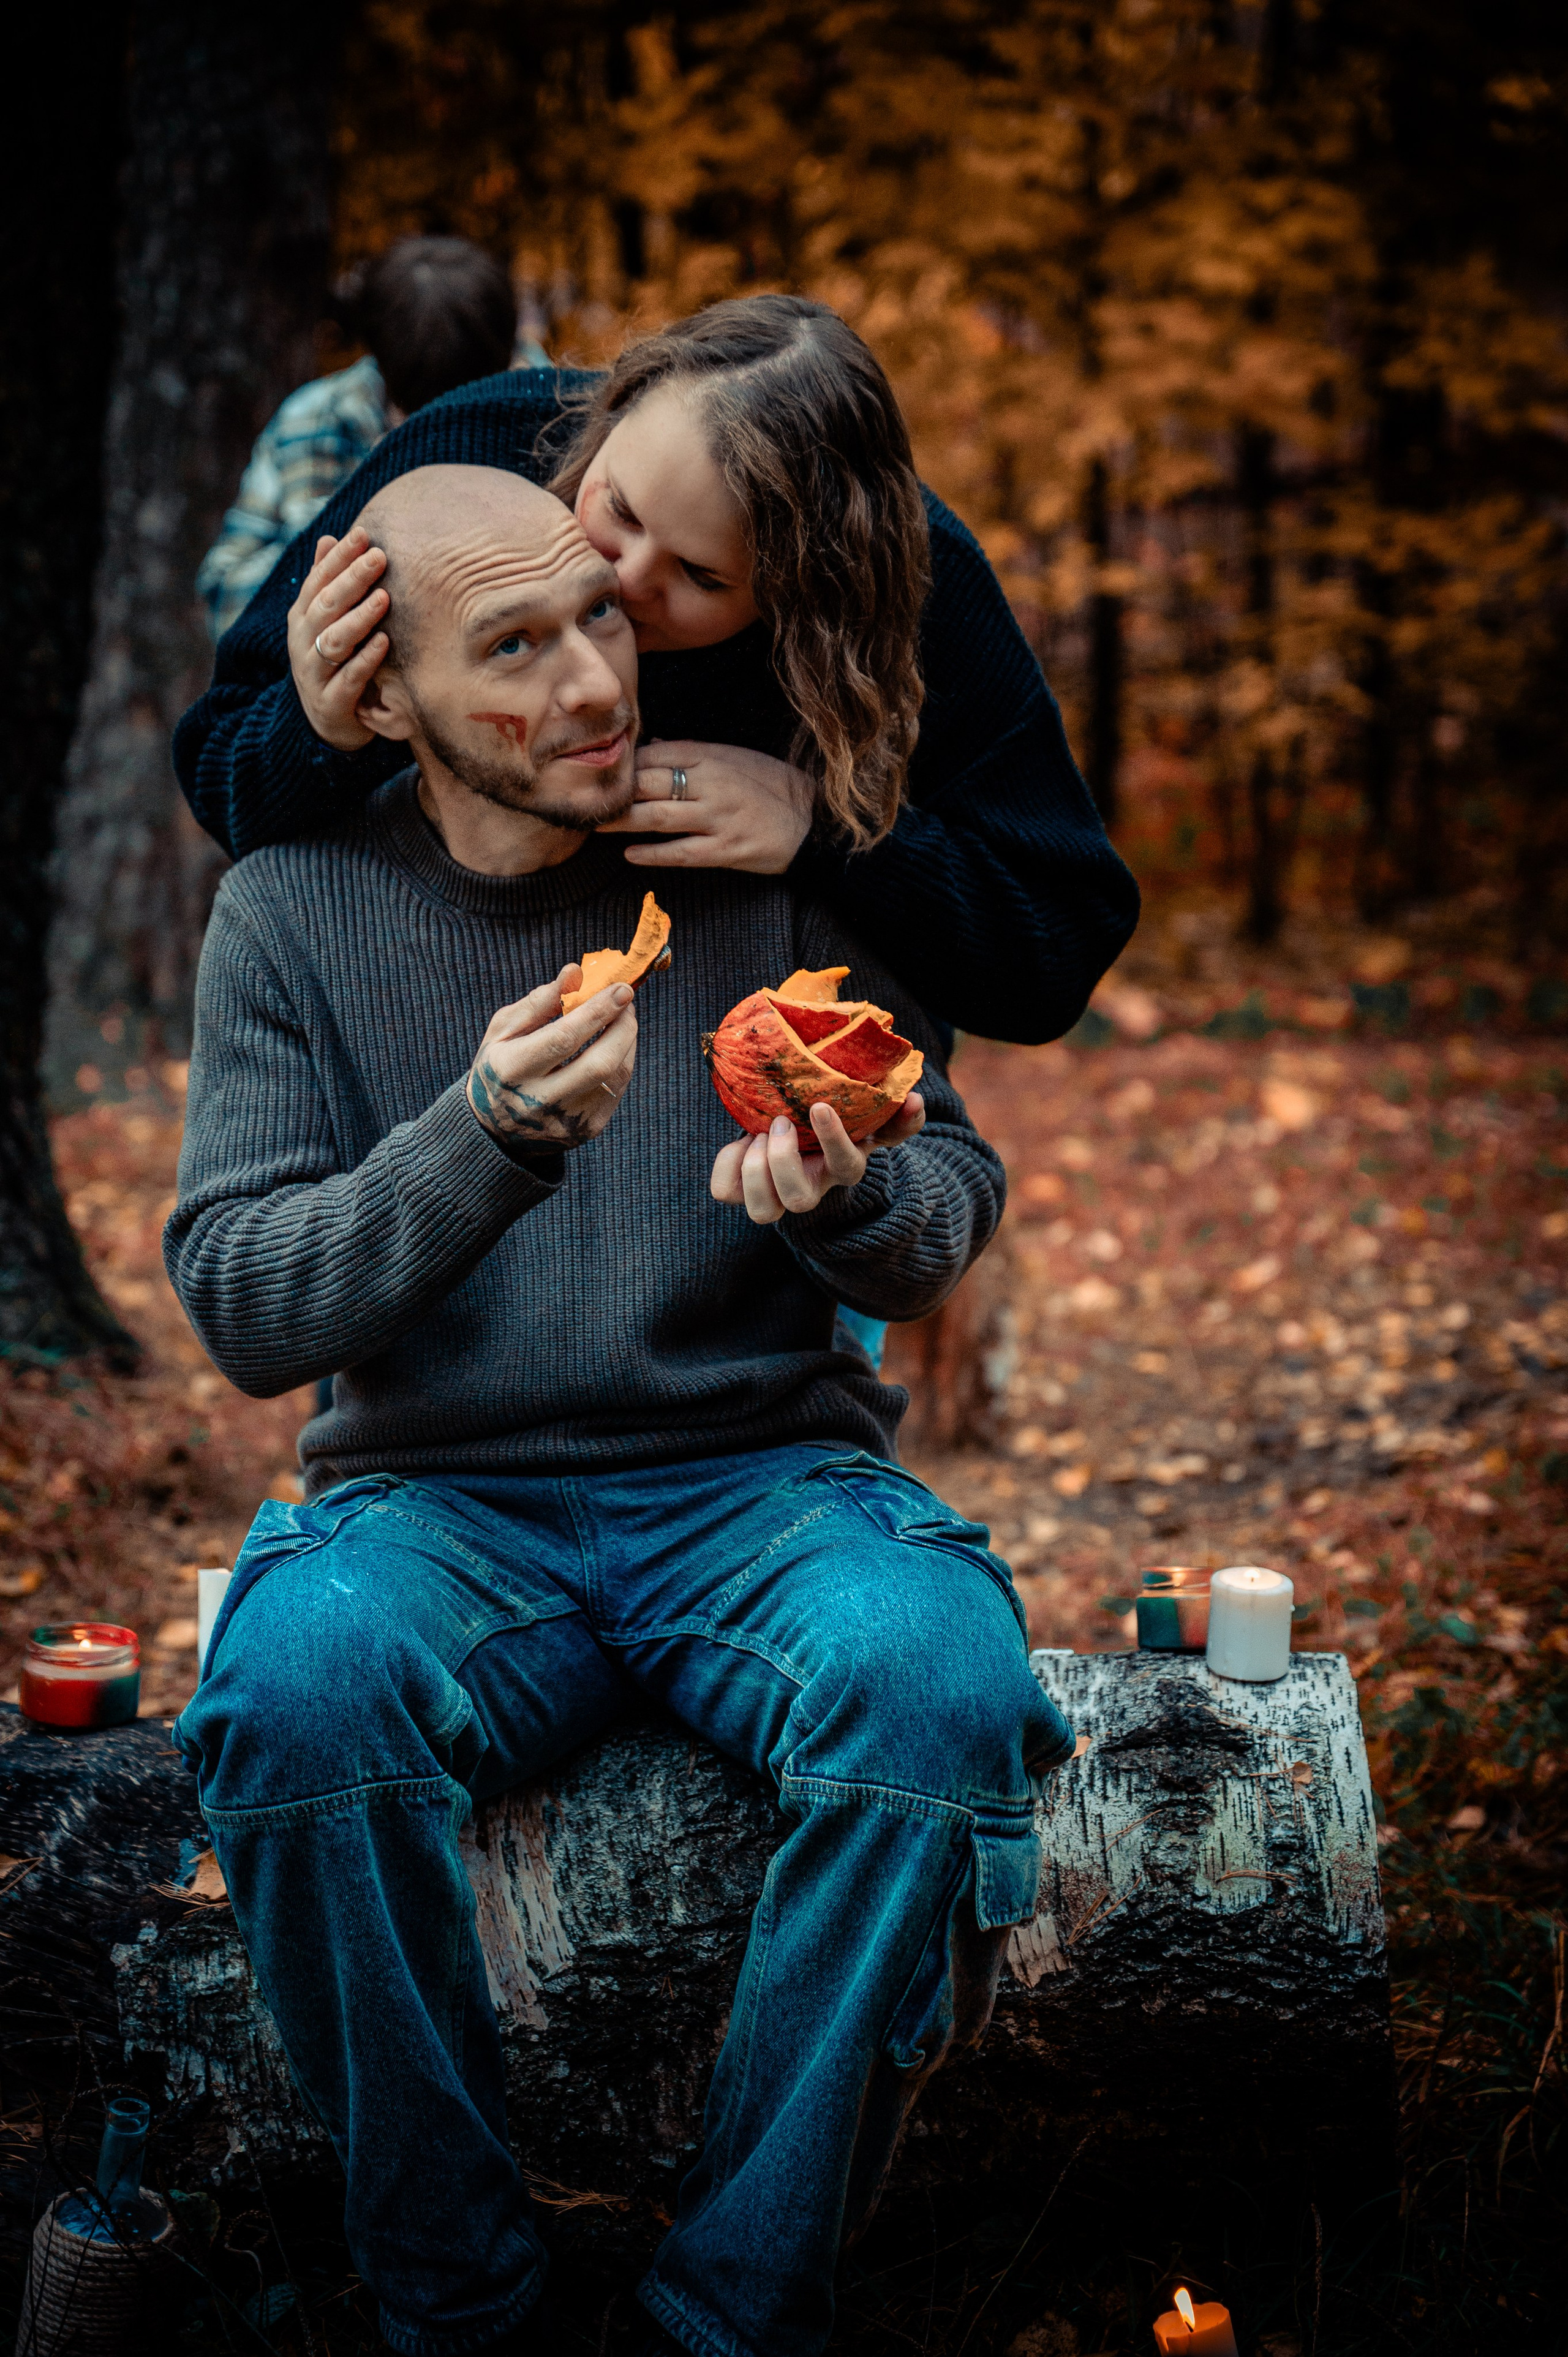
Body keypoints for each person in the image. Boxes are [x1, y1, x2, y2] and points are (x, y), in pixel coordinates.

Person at [167, 462, 1073, 2357]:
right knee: (292, 1689)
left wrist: (852, 1194)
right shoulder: (291, 909)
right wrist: (479, 1142)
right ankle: (457, 2302)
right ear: (384, 695)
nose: (595, 678)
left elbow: (945, 1206)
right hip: (438, 1508)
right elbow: (247, 1307)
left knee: (940, 1686)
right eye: (513, 644)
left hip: (763, 1485)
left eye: (601, 616)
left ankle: (727, 2310)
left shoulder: (762, 872)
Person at [175, 296, 1139, 1050]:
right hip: (435, 1038)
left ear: (805, 600)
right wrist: (320, 727)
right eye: (623, 510)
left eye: (702, 577)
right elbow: (224, 773)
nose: (624, 585)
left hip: (767, 1133)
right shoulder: (467, 457)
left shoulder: (911, 590)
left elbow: (1054, 952)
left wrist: (824, 834)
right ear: (622, 399)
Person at [196, 236, 539, 639]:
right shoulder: (311, 422)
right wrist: (356, 522)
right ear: (379, 359)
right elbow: (224, 601)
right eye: (419, 419)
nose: (441, 440)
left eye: (460, 421)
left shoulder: (561, 415)